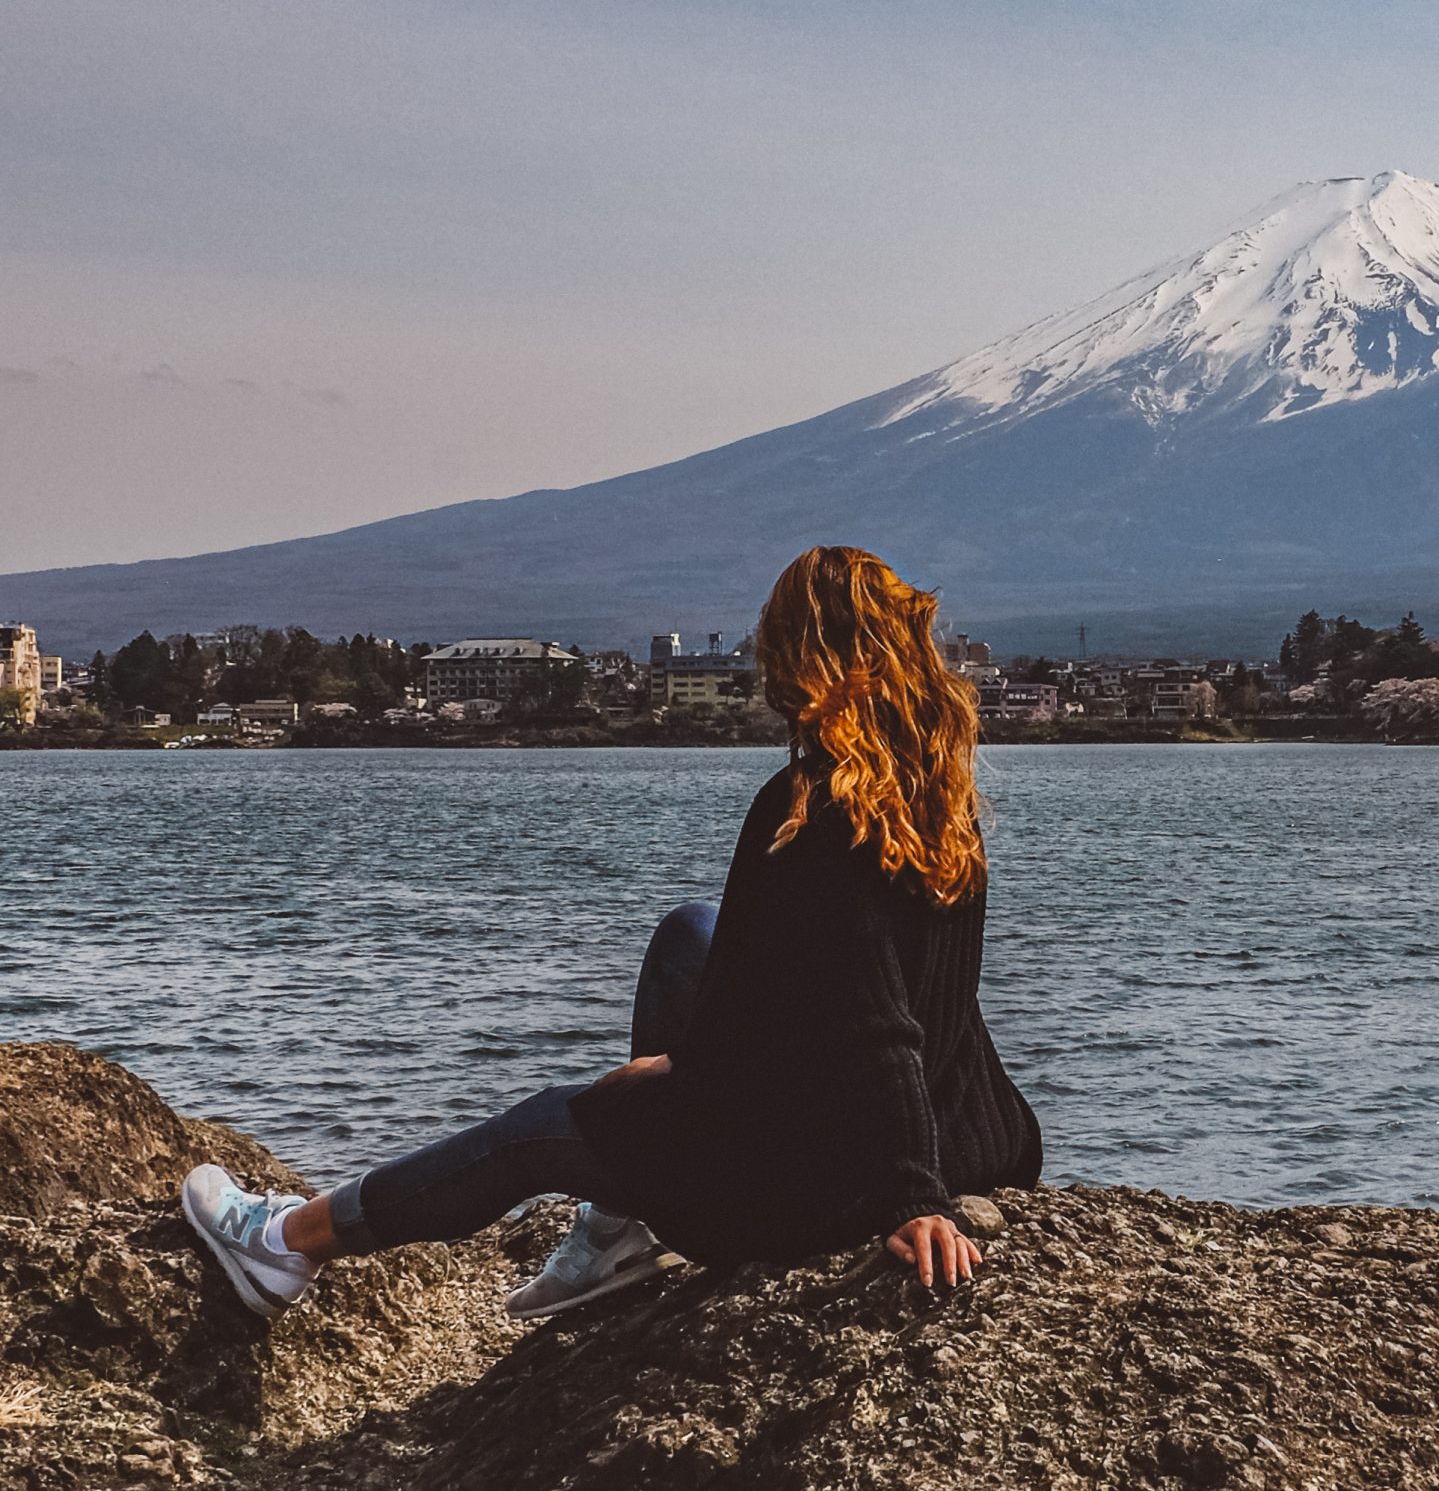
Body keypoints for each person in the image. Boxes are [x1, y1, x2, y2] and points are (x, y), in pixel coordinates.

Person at [181, 546, 1043, 1322]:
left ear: (798, 662)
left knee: (540, 1129)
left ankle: (285, 1244)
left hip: (817, 1173)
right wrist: (682, 1069)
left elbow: (878, 1019)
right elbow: (910, 996)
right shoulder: (938, 798)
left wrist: (911, 1194)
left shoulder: (810, 811)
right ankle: (623, 1220)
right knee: (689, 934)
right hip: (933, 1124)